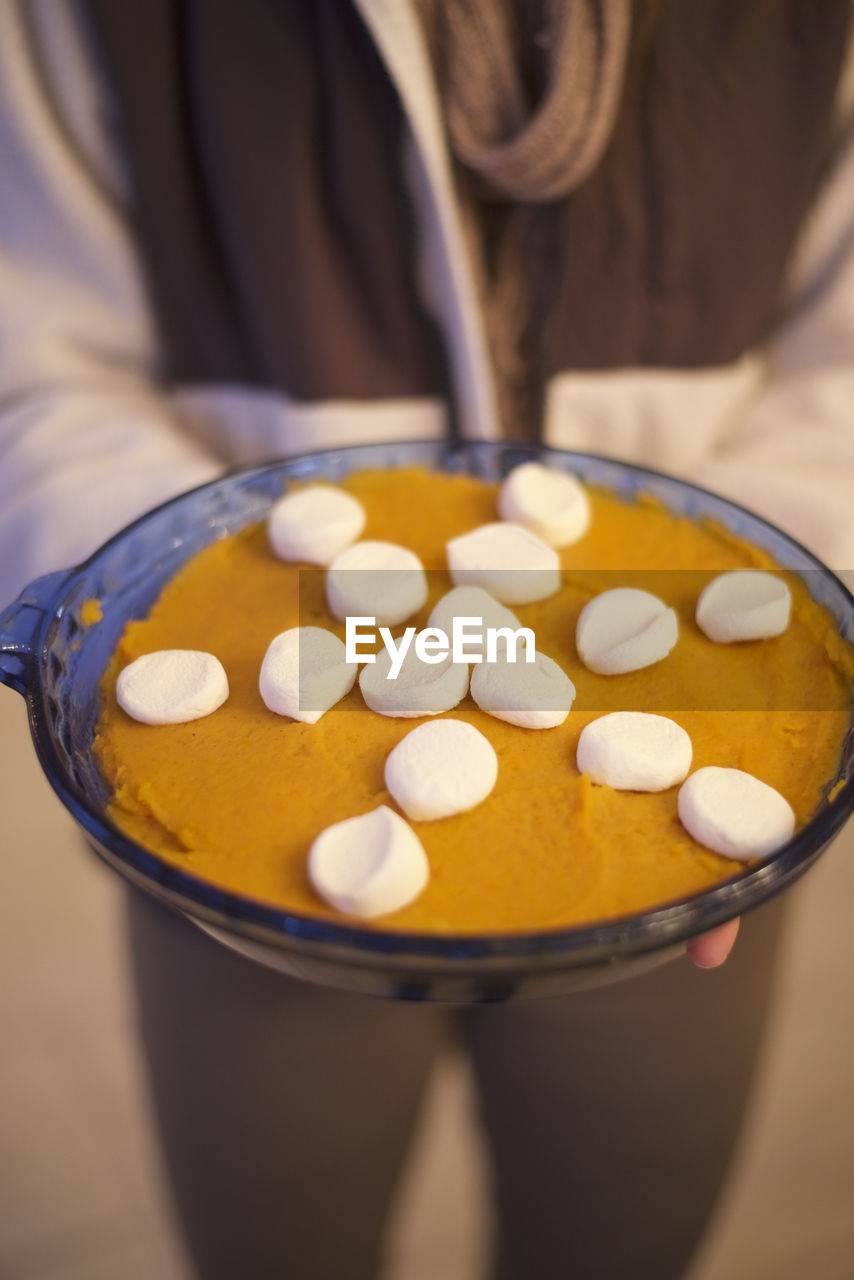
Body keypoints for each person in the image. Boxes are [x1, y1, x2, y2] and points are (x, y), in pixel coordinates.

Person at [1, 2, 853, 1277]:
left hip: (680, 844)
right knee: (274, 1236)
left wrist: (739, 644)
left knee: (622, 1232)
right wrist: (138, 594)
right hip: (240, 858)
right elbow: (38, 356)